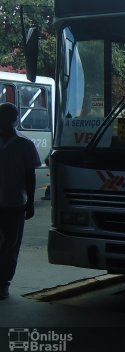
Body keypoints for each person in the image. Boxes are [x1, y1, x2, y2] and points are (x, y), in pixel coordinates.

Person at [0, 103, 41, 299]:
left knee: (10, 245)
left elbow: (30, 176)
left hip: (14, 203)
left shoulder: (25, 144)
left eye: (7, 118)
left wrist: (30, 202)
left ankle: (3, 283)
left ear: (15, 120)